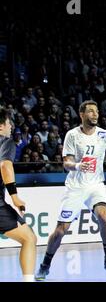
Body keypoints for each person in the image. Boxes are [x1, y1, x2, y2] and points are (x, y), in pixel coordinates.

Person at [35, 100, 106, 280]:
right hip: (75, 186)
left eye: (96, 111)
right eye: (91, 111)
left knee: (104, 217)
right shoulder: (72, 135)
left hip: (95, 185)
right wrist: (77, 165)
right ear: (82, 114)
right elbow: (66, 163)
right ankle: (45, 265)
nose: (95, 114)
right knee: (60, 230)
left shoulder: (105, 135)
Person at [0, 108, 37, 282]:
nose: (11, 127)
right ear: (1, 126)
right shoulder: (5, 142)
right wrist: (14, 196)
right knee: (29, 238)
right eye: (9, 124)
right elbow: (5, 167)